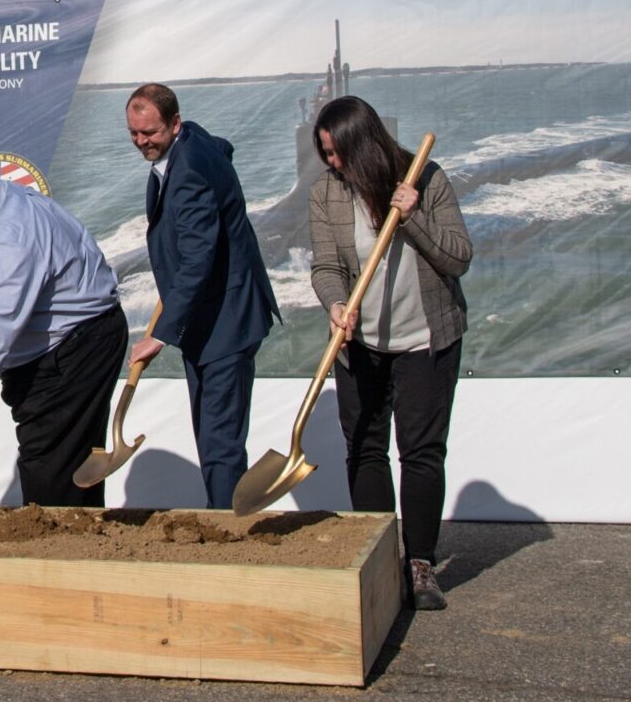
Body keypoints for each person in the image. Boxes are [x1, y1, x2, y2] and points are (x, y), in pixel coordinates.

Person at [308, 95, 472, 611]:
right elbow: (326, 267)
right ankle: (377, 558)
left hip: (425, 340)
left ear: (365, 146)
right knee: (364, 447)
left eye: (337, 153)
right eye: (325, 154)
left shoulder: (426, 179)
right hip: (361, 343)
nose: (332, 164)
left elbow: (458, 259)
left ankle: (420, 564)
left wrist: (413, 216)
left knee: (421, 452)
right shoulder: (327, 193)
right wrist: (336, 304)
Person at [0, 148, 125, 507]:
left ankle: (54, 547)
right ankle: (78, 534)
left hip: (75, 347)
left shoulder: (11, 232)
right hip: (63, 344)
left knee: (49, 460)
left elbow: (2, 315)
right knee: (71, 455)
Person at [121, 83, 279, 509]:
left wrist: (162, 332)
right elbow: (223, 148)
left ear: (173, 123)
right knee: (213, 432)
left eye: (150, 133)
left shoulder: (188, 170)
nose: (141, 142)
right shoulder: (195, 138)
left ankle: (228, 530)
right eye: (134, 133)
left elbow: (198, 258)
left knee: (218, 440)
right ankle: (226, 513)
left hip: (225, 321)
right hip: (210, 317)